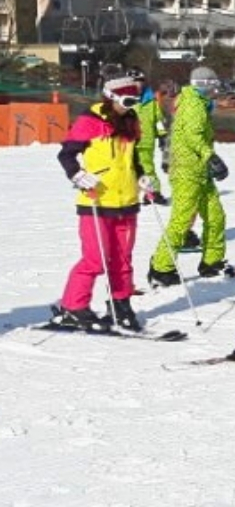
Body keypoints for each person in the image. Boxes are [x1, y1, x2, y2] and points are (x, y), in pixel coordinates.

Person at [50, 76, 151, 332]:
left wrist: (141, 176)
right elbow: (66, 154)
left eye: (135, 101)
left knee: (122, 260)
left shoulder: (131, 121)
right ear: (111, 98)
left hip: (127, 201)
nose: (130, 107)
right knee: (95, 260)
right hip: (97, 201)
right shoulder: (90, 120)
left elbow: (132, 159)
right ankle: (73, 307)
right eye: (127, 102)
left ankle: (120, 305)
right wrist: (76, 174)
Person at [149, 66, 229, 286]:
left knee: (215, 216)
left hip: (200, 170)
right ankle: (161, 267)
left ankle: (212, 261)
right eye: (213, 87)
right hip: (186, 171)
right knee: (182, 220)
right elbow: (193, 136)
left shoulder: (199, 102)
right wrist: (211, 157)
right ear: (205, 86)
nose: (215, 91)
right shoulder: (193, 104)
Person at [130, 68, 169, 205]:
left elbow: (158, 120)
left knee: (147, 167)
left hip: (145, 141)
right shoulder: (125, 101)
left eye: (139, 81)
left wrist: (162, 135)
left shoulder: (151, 101)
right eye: (134, 82)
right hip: (127, 141)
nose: (137, 85)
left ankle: (153, 192)